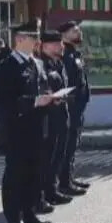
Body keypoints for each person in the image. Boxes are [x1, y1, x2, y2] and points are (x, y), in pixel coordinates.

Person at [0, 22, 55, 223]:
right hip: (16, 131)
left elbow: (43, 88)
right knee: (15, 175)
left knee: (33, 172)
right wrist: (35, 101)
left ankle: (29, 214)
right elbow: (4, 102)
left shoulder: (36, 63)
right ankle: (13, 219)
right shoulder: (6, 66)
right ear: (19, 39)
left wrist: (52, 98)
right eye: (32, 37)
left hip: (37, 128)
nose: (37, 41)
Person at [38, 29, 74, 210]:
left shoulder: (57, 63)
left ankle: (52, 190)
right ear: (45, 46)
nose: (61, 47)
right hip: (48, 120)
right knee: (47, 159)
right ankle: (43, 195)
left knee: (58, 155)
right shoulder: (40, 65)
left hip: (60, 116)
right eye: (57, 43)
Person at [57, 20, 90, 196]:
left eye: (78, 30)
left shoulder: (74, 53)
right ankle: (63, 183)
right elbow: (68, 84)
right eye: (74, 31)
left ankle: (69, 178)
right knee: (68, 146)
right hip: (71, 108)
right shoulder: (65, 55)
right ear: (64, 35)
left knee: (73, 145)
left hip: (79, 108)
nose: (78, 33)